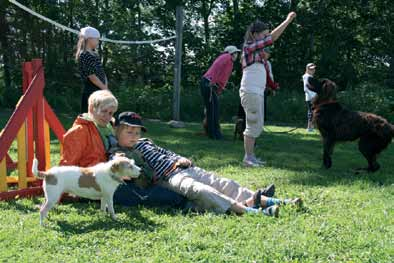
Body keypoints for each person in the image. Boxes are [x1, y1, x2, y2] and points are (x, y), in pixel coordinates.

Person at [109, 111, 302, 218]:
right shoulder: (119, 153)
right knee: (203, 191)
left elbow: (165, 152)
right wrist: (119, 159)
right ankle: (252, 211)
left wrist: (180, 158)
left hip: (184, 167)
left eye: (137, 132)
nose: (135, 137)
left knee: (225, 183)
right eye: (129, 132)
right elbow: (121, 170)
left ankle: (276, 201)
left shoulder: (146, 142)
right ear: (116, 131)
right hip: (170, 177)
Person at [60, 90, 187, 208]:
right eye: (104, 111)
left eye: (111, 113)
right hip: (93, 183)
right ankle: (182, 201)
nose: (107, 117)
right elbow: (66, 164)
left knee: (151, 187)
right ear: (92, 109)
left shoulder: (107, 127)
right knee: (149, 196)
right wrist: (66, 194)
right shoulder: (79, 131)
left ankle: (183, 197)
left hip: (114, 175)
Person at [240, 12, 296, 167]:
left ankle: (251, 156)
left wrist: (271, 86)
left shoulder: (257, 55)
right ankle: (248, 158)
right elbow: (272, 38)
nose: (266, 39)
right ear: (254, 34)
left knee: (256, 125)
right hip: (250, 92)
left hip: (255, 92)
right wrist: (287, 20)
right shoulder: (248, 47)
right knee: (252, 124)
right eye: (263, 35)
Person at [201, 46, 241, 140]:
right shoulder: (227, 58)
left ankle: (214, 133)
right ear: (231, 53)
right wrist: (213, 82)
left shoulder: (226, 59)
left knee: (213, 110)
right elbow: (218, 70)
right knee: (213, 111)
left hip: (209, 83)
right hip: (209, 83)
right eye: (236, 53)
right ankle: (214, 135)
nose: (237, 55)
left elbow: (222, 75)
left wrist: (218, 88)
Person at [75, 26, 108, 113]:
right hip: (91, 91)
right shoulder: (84, 55)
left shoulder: (95, 54)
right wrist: (105, 89)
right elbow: (92, 77)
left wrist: (105, 85)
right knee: (90, 117)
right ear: (89, 39)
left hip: (100, 89)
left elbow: (101, 72)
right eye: (97, 39)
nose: (98, 41)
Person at [303, 63, 317, 132]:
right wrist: (312, 97)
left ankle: (311, 127)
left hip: (312, 97)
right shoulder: (307, 76)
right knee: (311, 112)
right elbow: (306, 88)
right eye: (311, 69)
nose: (313, 70)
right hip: (310, 98)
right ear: (307, 69)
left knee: (313, 112)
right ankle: (309, 127)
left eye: (314, 69)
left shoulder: (310, 76)